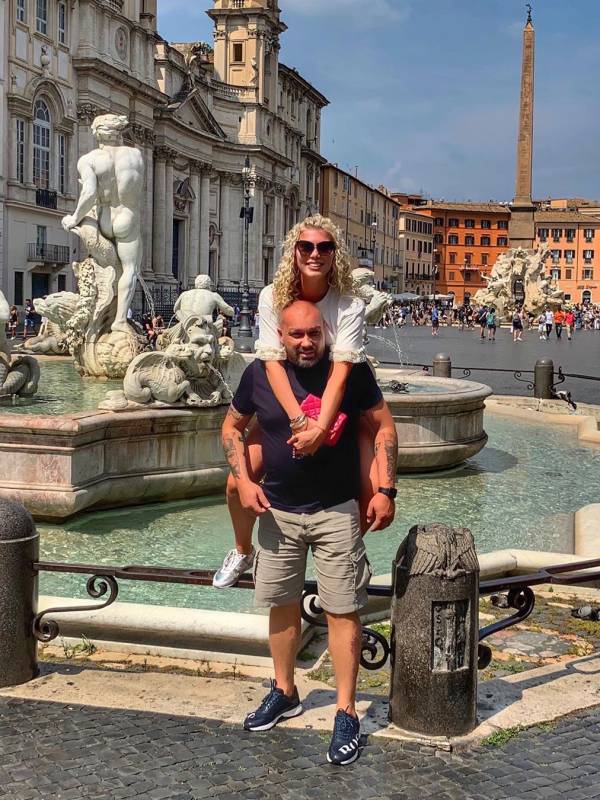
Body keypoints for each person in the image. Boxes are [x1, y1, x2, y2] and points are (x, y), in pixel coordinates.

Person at [221, 300, 397, 765]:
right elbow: (231, 428)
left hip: (336, 510)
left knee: (343, 610)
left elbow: (383, 427)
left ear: (326, 333)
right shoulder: (260, 374)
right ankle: (284, 691)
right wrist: (243, 481)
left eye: (314, 333)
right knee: (280, 604)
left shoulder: (350, 372)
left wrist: (386, 489)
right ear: (280, 335)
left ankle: (346, 712)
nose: (305, 343)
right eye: (296, 334)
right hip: (278, 510)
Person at [213, 215, 369, 589]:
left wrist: (321, 427)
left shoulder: (349, 305)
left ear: (335, 253)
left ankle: (346, 555)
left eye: (325, 246)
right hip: (285, 405)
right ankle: (242, 549)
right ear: (294, 252)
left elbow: (341, 372)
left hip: (336, 404)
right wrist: (299, 420)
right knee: (236, 484)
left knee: (369, 489)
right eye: (306, 246)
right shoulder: (272, 296)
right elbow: (271, 363)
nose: (315, 253)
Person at [62, 114, 143, 334]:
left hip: (104, 217)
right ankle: (119, 320)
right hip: (127, 217)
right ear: (119, 133)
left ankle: (97, 315)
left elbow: (89, 193)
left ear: (97, 134)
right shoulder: (135, 155)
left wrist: (74, 218)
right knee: (130, 269)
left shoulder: (89, 159)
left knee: (102, 264)